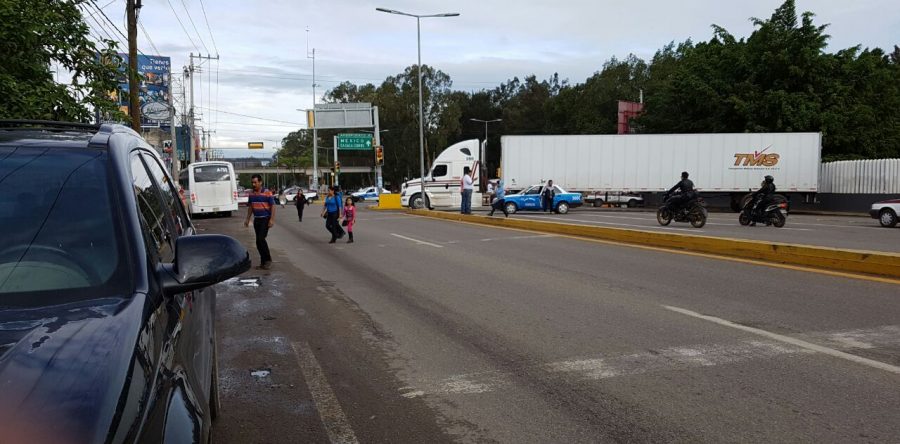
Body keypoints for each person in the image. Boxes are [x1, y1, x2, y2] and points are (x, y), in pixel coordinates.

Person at [244, 174, 276, 270]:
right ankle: (263, 262)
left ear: (260, 182)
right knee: (258, 242)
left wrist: (272, 219)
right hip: (257, 219)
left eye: (255, 182)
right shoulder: (251, 193)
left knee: (261, 239)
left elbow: (273, 206)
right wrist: (247, 219)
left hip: (265, 219)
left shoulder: (267, 192)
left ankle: (268, 259)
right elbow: (251, 206)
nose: (253, 184)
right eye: (252, 182)